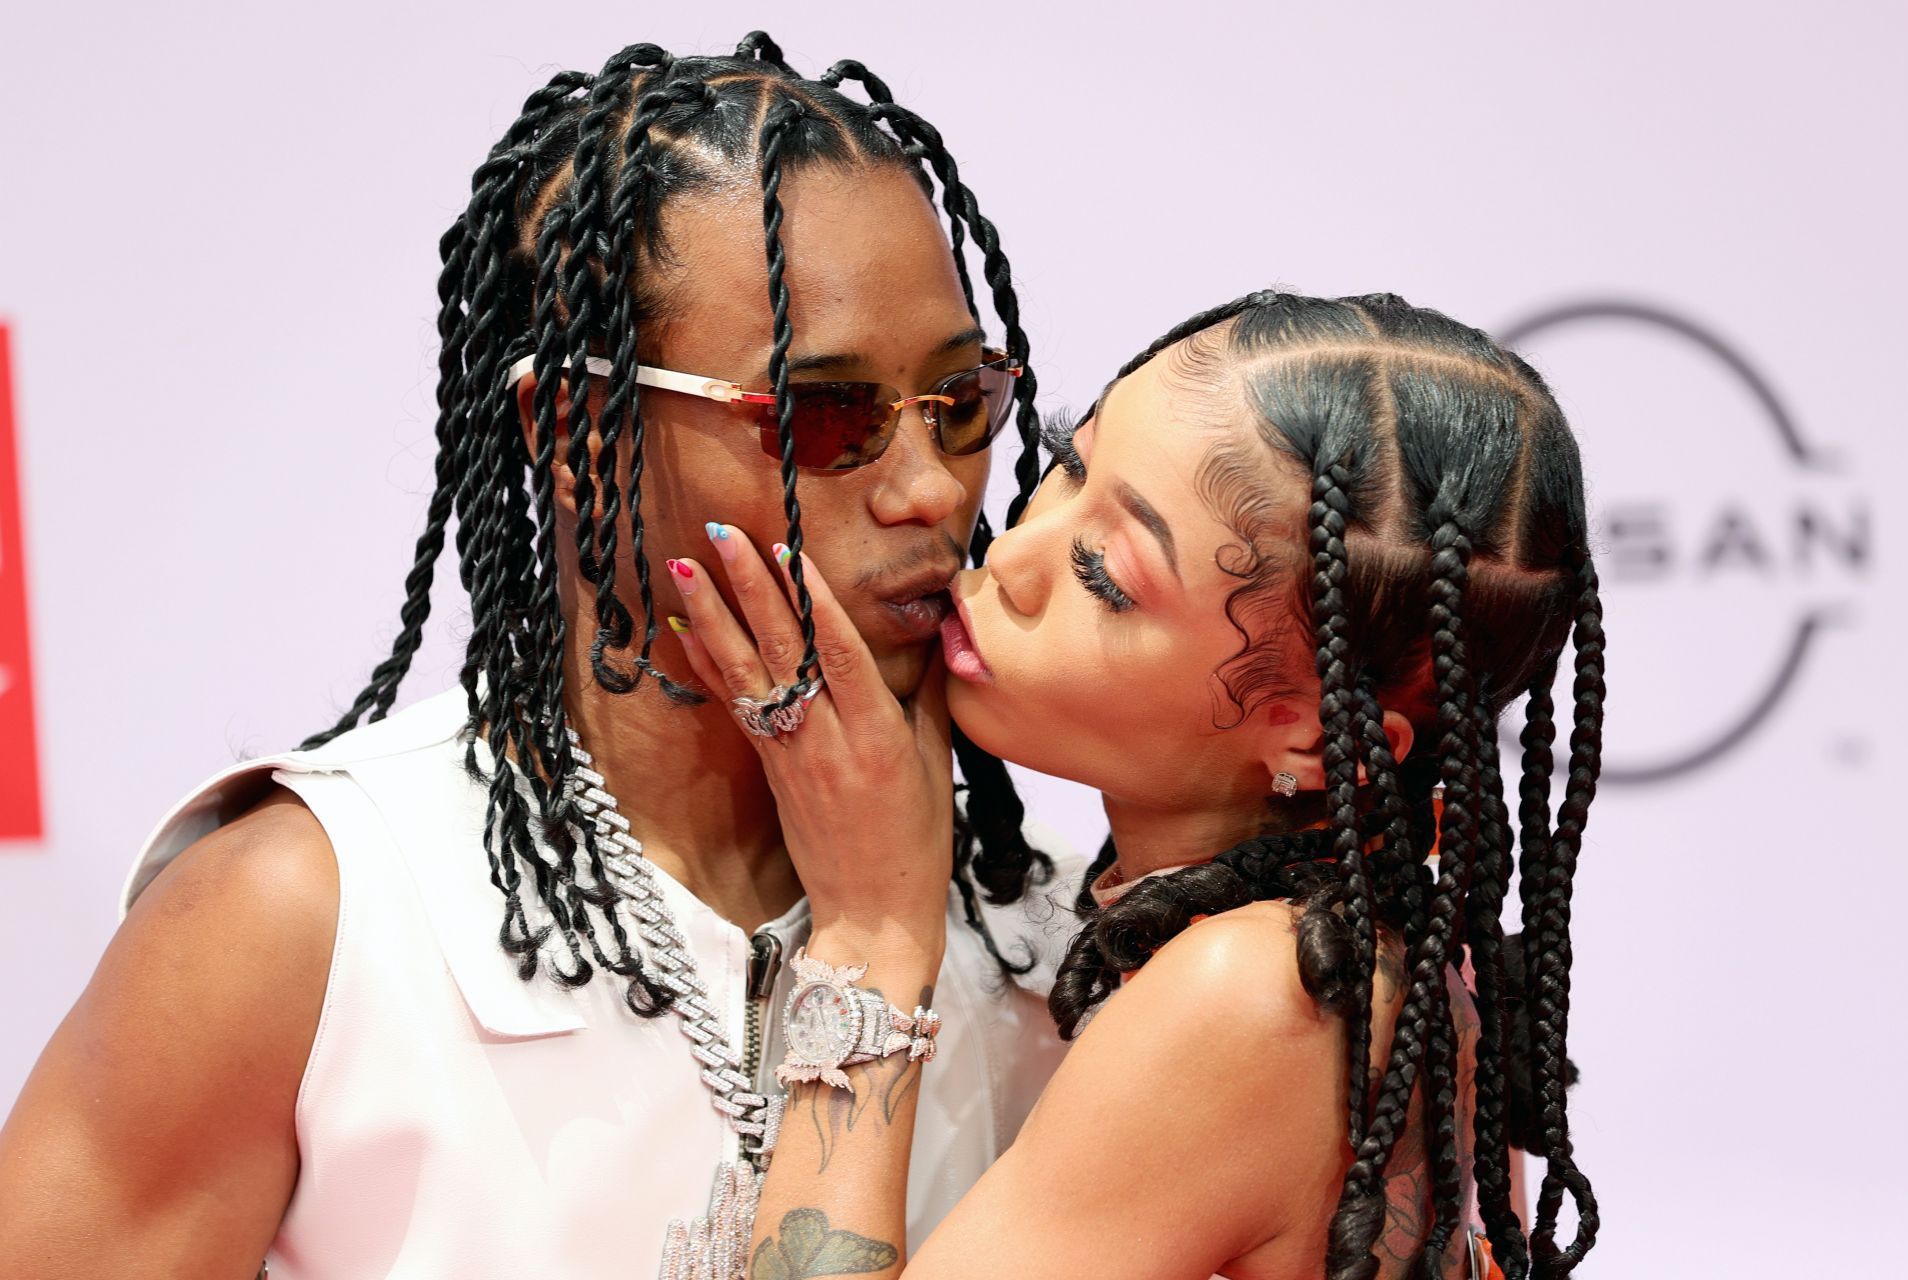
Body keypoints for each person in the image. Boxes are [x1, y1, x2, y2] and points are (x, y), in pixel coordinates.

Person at [0, 34, 1084, 1280]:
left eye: (960, 403)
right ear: (577, 432)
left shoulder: (1048, 930)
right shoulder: (306, 916)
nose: (925, 489)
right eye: (822, 416)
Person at [670, 290, 1607, 1279]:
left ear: (1321, 740)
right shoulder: (1385, 966)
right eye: (1069, 463)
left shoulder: (1259, 995)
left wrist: (873, 933)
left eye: (1104, 572)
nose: (1012, 552)